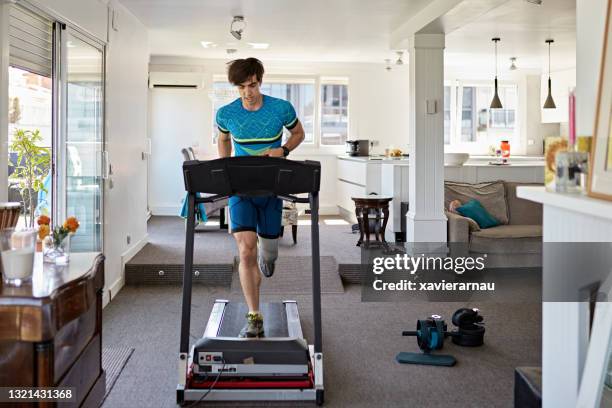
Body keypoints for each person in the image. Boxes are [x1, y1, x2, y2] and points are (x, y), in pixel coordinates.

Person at [216, 58, 305, 338]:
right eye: (241, 87)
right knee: (245, 250)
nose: (247, 92)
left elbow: (299, 132)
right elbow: (223, 139)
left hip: (271, 189)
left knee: (268, 252)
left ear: (260, 81)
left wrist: (284, 150)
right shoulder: (225, 113)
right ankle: (254, 316)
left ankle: (270, 256)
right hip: (241, 189)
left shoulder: (281, 108)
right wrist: (225, 169)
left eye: (252, 85)